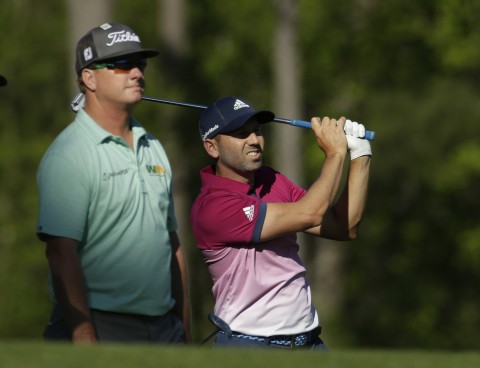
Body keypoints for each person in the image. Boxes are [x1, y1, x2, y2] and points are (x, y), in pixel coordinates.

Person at [36, 23, 191, 344]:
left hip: (164, 327)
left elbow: (171, 244)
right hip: (101, 324)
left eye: (140, 64)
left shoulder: (154, 146)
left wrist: (183, 329)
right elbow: (60, 253)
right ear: (89, 78)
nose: (136, 73)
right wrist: (84, 339)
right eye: (122, 65)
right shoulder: (69, 153)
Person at [190, 96, 371, 349]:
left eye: (257, 131)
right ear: (212, 147)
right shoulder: (213, 205)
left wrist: (360, 154)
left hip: (310, 342)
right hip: (249, 345)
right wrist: (336, 153)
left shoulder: (271, 179)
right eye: (241, 134)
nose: (254, 140)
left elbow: (344, 226)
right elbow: (311, 213)